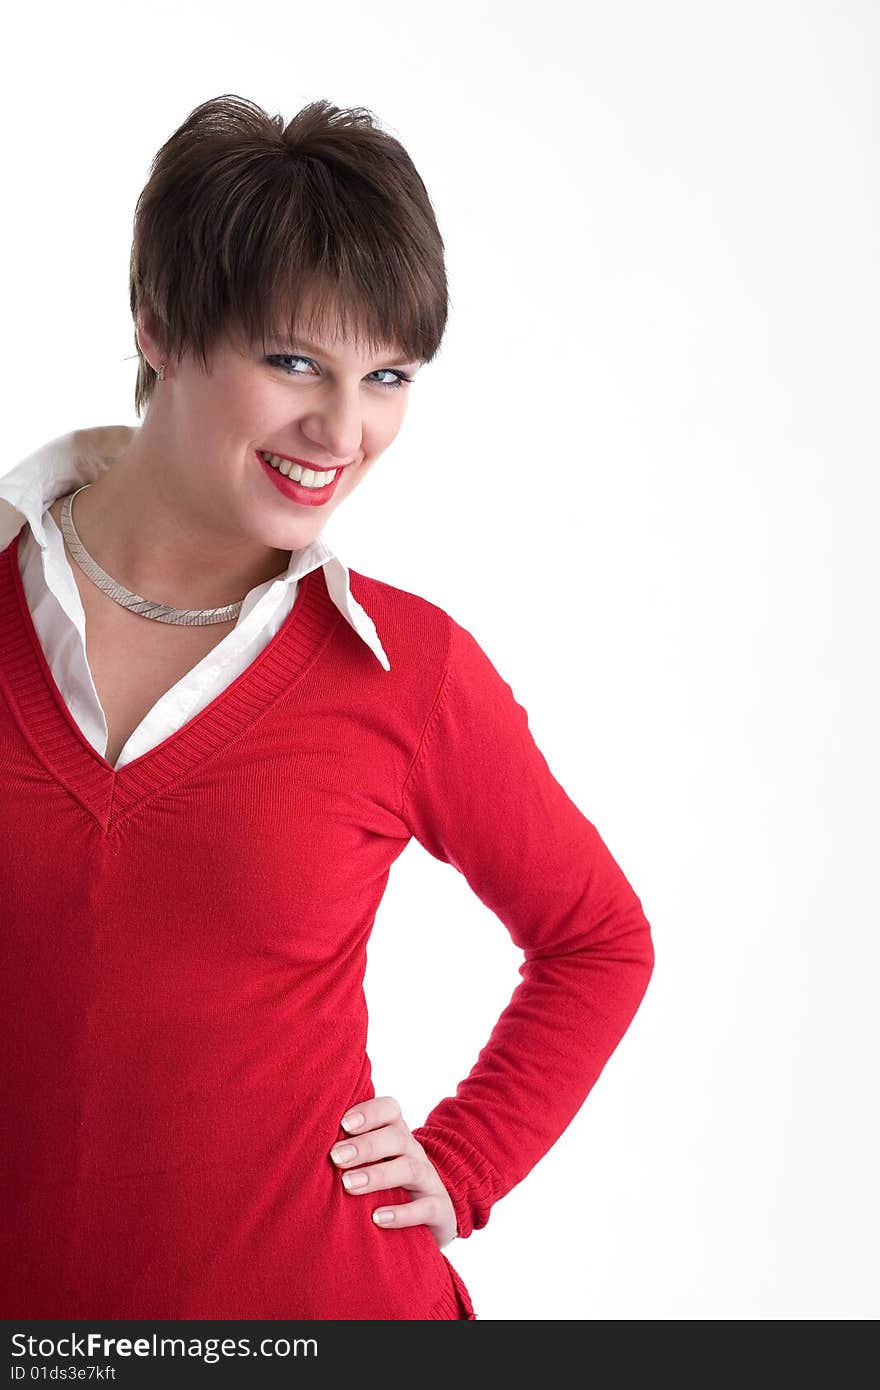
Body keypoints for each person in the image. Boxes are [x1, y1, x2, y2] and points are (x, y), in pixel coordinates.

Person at [0, 94, 654, 1321]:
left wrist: (461, 1167)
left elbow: (598, 938)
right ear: (159, 327)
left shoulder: (409, 674)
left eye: (387, 376)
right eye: (292, 361)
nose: (341, 431)